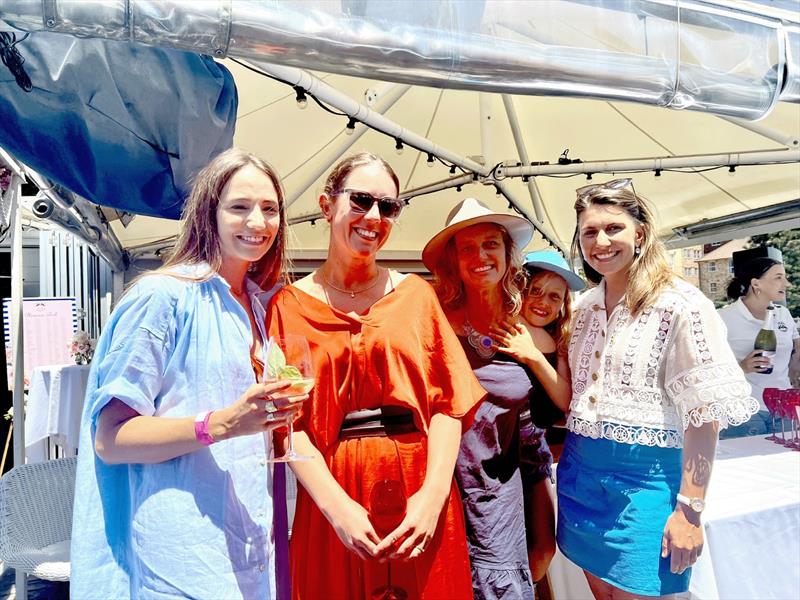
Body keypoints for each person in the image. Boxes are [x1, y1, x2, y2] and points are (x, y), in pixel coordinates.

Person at [71, 148, 307, 599]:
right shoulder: (162, 298)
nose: (257, 222)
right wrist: (219, 424)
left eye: (270, 209)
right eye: (240, 207)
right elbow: (110, 440)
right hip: (181, 558)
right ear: (208, 213)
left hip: (250, 548)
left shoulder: (260, 307)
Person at [267, 152, 485, 599]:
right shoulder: (286, 307)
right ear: (327, 205)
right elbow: (288, 423)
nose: (374, 217)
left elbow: (448, 405)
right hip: (333, 498)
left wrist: (431, 500)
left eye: (388, 207)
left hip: (419, 490)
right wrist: (337, 508)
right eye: (362, 200)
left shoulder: (415, 296)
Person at [558, 178, 758, 599]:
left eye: (613, 228)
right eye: (589, 231)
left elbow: (704, 415)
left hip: (646, 484)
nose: (601, 241)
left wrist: (690, 509)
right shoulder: (582, 308)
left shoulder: (682, 305)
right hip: (579, 479)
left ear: (640, 233)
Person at [422, 199, 564, 598]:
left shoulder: (529, 329)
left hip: (510, 468)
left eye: (490, 245)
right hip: (448, 468)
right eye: (467, 248)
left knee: (531, 561)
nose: (480, 256)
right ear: (453, 260)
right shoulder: (433, 315)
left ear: (506, 254)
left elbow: (563, 404)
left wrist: (533, 357)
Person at [717, 256, 800, 437]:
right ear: (756, 284)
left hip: (783, 407)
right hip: (743, 410)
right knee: (746, 464)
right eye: (778, 277)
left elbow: (796, 344)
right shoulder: (723, 318)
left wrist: (795, 366)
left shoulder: (783, 314)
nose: (787, 284)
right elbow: (707, 369)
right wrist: (742, 367)